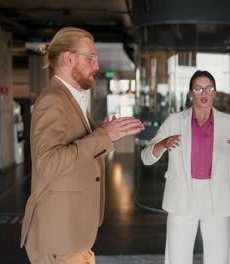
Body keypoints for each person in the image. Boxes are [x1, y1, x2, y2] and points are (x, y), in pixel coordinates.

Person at [20, 27, 144, 263]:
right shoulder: (52, 100)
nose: (96, 66)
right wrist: (102, 137)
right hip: (60, 238)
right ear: (69, 58)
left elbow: (81, 152)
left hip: (74, 233)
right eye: (91, 58)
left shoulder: (71, 98)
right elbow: (48, 164)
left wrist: (104, 134)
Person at [141, 70, 230, 264]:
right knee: (177, 257)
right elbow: (146, 157)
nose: (204, 93)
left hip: (217, 196)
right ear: (190, 93)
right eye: (198, 88)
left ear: (214, 92)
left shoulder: (228, 123)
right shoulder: (175, 121)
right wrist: (163, 144)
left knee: (219, 258)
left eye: (209, 88)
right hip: (182, 196)